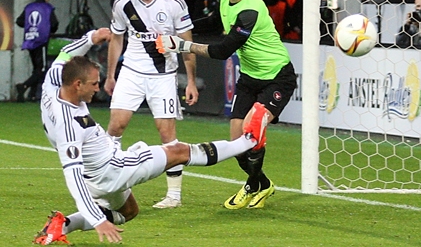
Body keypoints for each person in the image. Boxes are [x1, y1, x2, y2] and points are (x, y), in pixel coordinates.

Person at [33, 28, 268, 245]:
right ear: (77, 84)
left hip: (96, 175)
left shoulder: (54, 81)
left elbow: (66, 53)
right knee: (178, 152)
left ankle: (63, 225)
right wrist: (97, 219)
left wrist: (92, 37)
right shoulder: (68, 125)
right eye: (93, 84)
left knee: (129, 213)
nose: (97, 88)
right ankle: (248, 141)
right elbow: (72, 176)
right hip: (113, 170)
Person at [158, 0, 296, 210]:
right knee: (237, 145)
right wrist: (181, 26)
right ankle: (260, 184)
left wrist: (182, 44)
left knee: (253, 129)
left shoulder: (251, 10)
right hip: (249, 78)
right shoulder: (223, 0)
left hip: (277, 77)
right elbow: (212, 21)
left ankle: (252, 186)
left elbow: (222, 51)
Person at [104, 0, 199, 209]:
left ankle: (174, 196)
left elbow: (186, 44)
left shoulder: (174, 3)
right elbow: (116, 39)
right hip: (132, 73)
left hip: (164, 76)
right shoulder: (123, 3)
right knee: (116, 126)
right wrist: (111, 75)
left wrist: (190, 81)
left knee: (167, 133)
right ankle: (107, 184)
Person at [15, 0, 59, 102]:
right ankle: (24, 86)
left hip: (30, 40)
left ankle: (32, 94)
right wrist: (45, 29)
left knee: (36, 69)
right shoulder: (48, 8)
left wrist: (31, 27)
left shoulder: (29, 7)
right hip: (41, 40)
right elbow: (54, 24)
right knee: (42, 69)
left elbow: (19, 21)